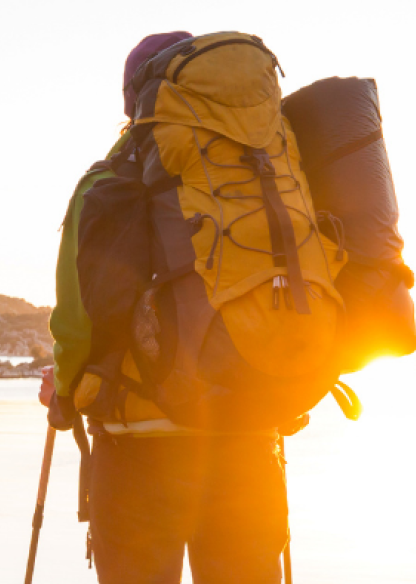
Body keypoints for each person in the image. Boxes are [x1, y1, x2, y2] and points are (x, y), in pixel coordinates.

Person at [42, 31, 292, 583]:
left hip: (138, 452)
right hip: (245, 442)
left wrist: (62, 390)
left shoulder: (107, 183)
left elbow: (78, 323)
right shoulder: (259, 177)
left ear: (133, 102)